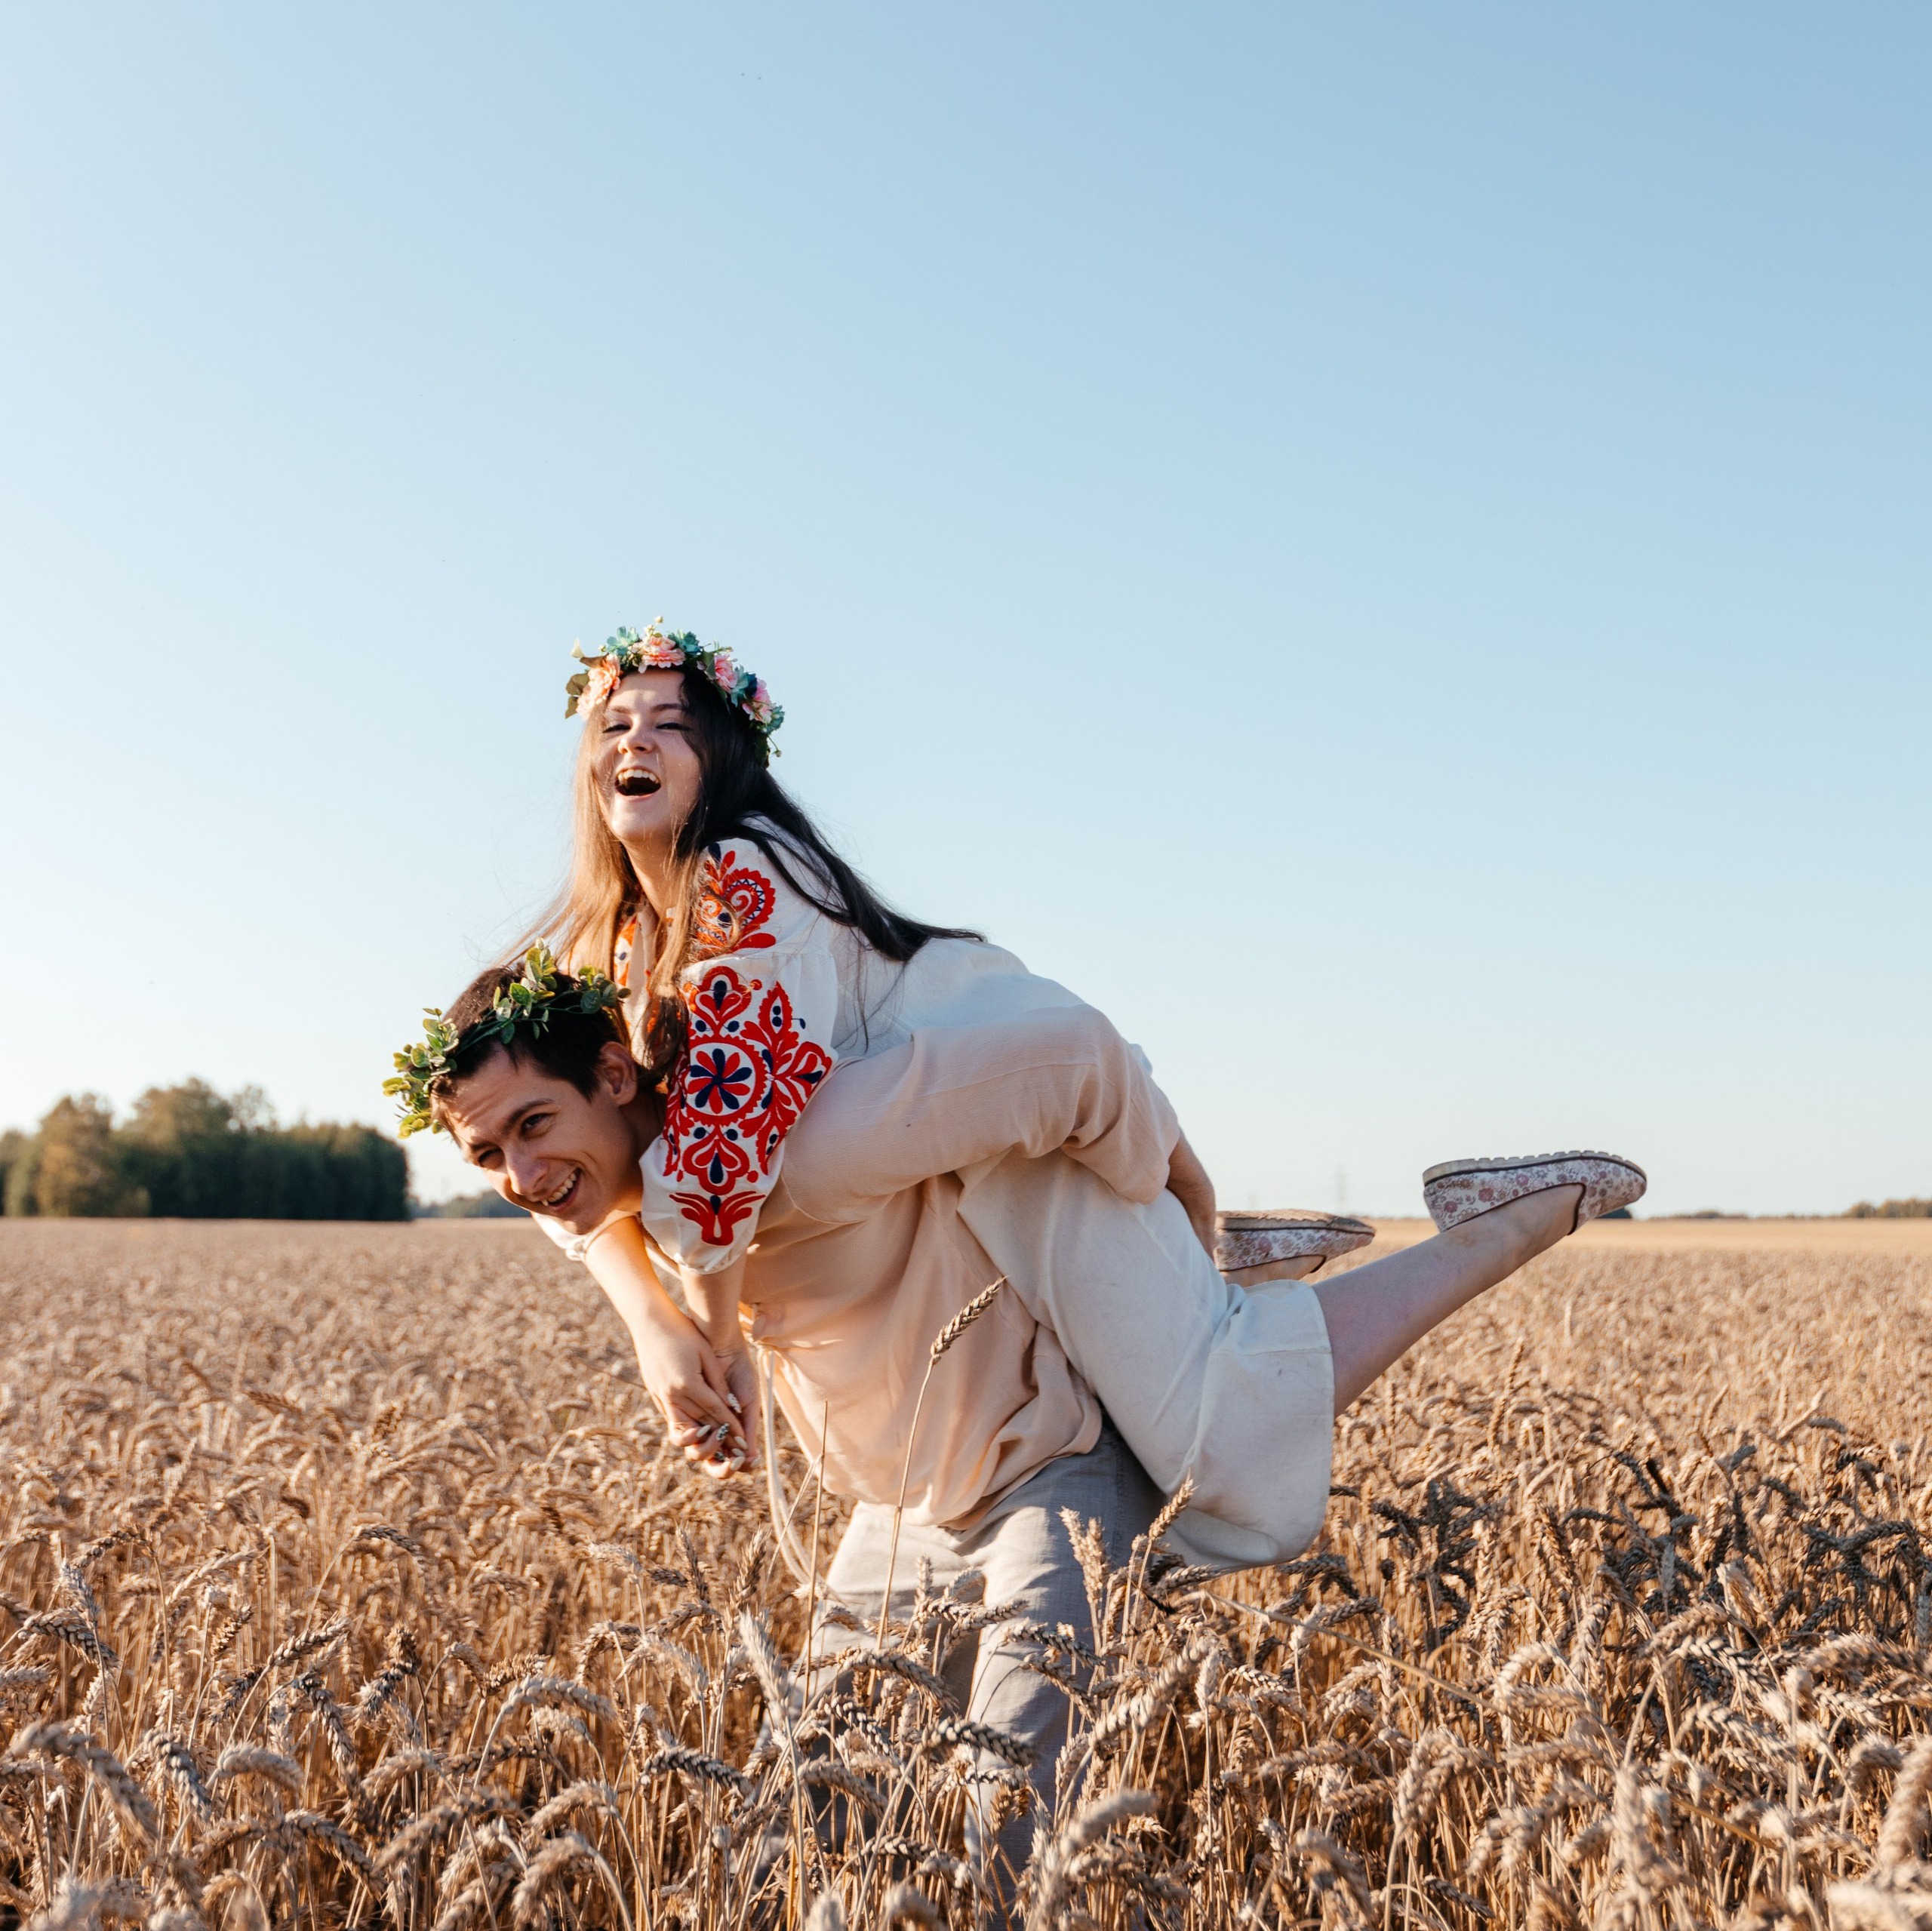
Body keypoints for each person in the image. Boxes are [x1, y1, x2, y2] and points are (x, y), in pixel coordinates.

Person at [390, 958, 1638, 1880]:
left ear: (617, 1077)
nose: (520, 1177)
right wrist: (664, 1332)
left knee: (1005, 1835)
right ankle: (1238, 1281)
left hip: (1052, 1468)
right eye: (487, 1155)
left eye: (534, 1127)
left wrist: (1178, 1199)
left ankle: (1498, 1222)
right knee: (811, 1837)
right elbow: (590, 1222)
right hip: (898, 1518)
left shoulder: (807, 1143)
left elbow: (1069, 1058)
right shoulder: (618, 1198)